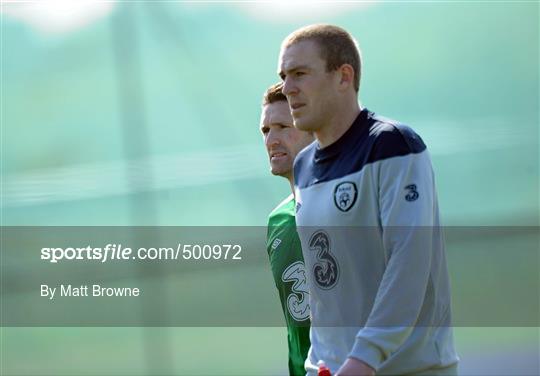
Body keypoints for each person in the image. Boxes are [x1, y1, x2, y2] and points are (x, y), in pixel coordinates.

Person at [277, 24, 459, 375]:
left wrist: (364, 359)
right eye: (284, 76)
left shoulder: (392, 145)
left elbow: (409, 263)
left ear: (344, 76)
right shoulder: (303, 166)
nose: (288, 89)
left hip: (406, 369)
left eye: (300, 74)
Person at [260, 82, 315, 375]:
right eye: (266, 130)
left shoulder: (346, 206)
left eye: (283, 126)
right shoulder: (277, 221)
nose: (272, 139)